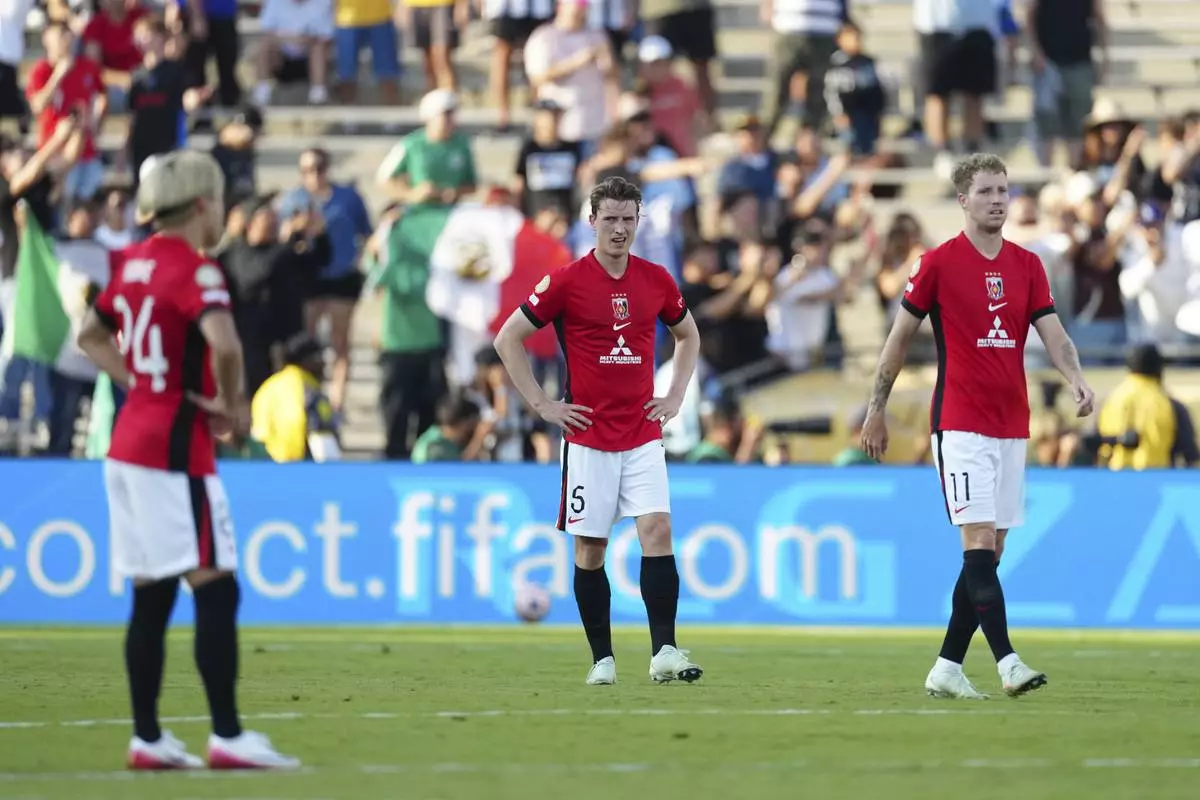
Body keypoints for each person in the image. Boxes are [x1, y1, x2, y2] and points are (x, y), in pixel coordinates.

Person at [76, 150, 298, 770]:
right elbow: (225, 344)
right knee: (217, 587)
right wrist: (229, 406)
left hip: (127, 445)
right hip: (175, 451)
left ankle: (147, 738)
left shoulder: (134, 264)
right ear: (204, 205)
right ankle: (227, 734)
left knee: (150, 595)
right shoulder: (196, 271)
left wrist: (142, 384)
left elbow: (89, 335)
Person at [859, 152, 1096, 700]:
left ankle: (947, 665)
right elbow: (898, 339)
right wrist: (877, 408)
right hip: (960, 424)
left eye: (1003, 190)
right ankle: (1008, 661)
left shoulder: (1028, 265)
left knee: (992, 553)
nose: (997, 200)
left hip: (1013, 425)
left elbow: (1055, 335)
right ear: (963, 199)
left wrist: (1077, 377)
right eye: (986, 191)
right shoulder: (938, 263)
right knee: (979, 544)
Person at [493, 176, 704, 686]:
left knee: (657, 530)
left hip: (641, 432)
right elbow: (509, 338)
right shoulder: (566, 280)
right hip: (587, 437)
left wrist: (674, 396)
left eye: (628, 219)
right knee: (591, 550)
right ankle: (602, 659)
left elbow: (688, 335)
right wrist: (542, 404)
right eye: (609, 219)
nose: (619, 229)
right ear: (591, 222)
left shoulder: (655, 279)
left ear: (638, 222)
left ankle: (665, 651)